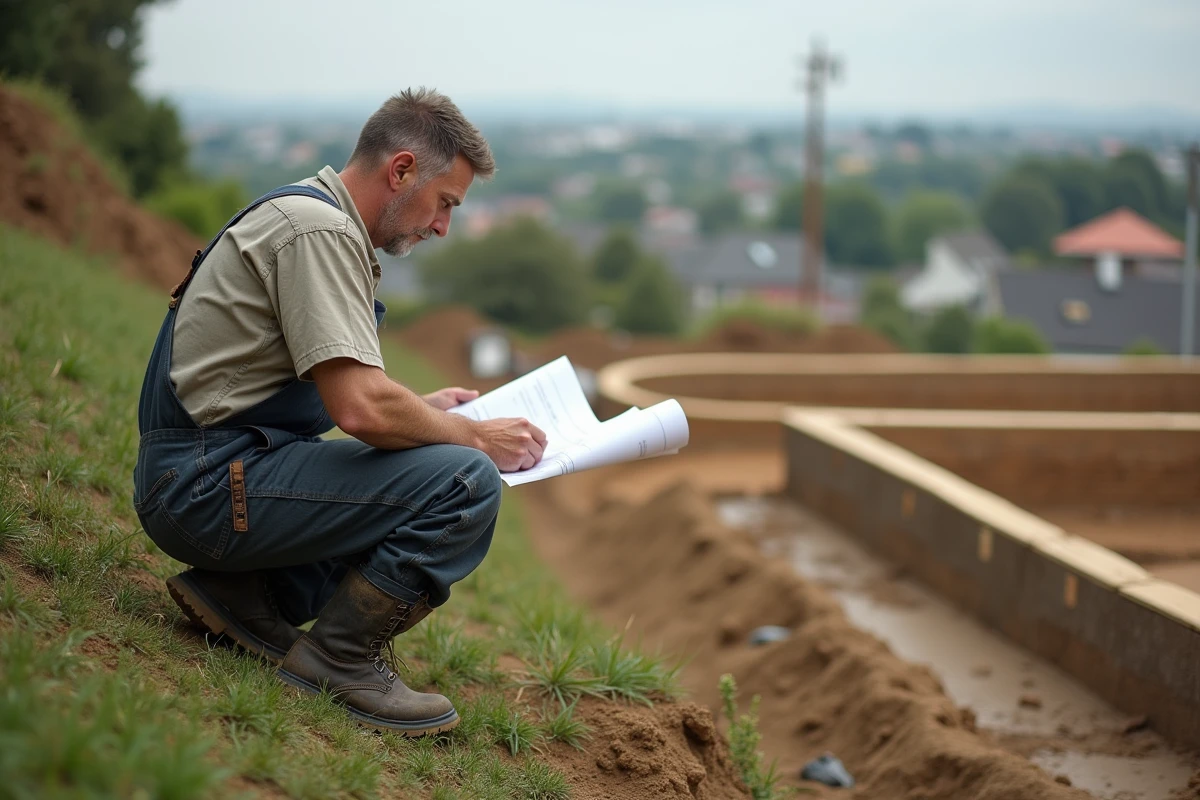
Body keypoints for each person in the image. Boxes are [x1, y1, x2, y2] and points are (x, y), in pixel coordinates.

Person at [132, 88, 546, 736]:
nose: (442, 227)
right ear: (402, 170)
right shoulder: (319, 231)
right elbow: (359, 409)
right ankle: (340, 659)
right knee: (463, 480)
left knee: (428, 455)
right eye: (446, 204)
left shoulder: (314, 218)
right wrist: (472, 436)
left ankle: (247, 596)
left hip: (206, 472)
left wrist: (423, 409)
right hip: (203, 486)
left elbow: (338, 387)